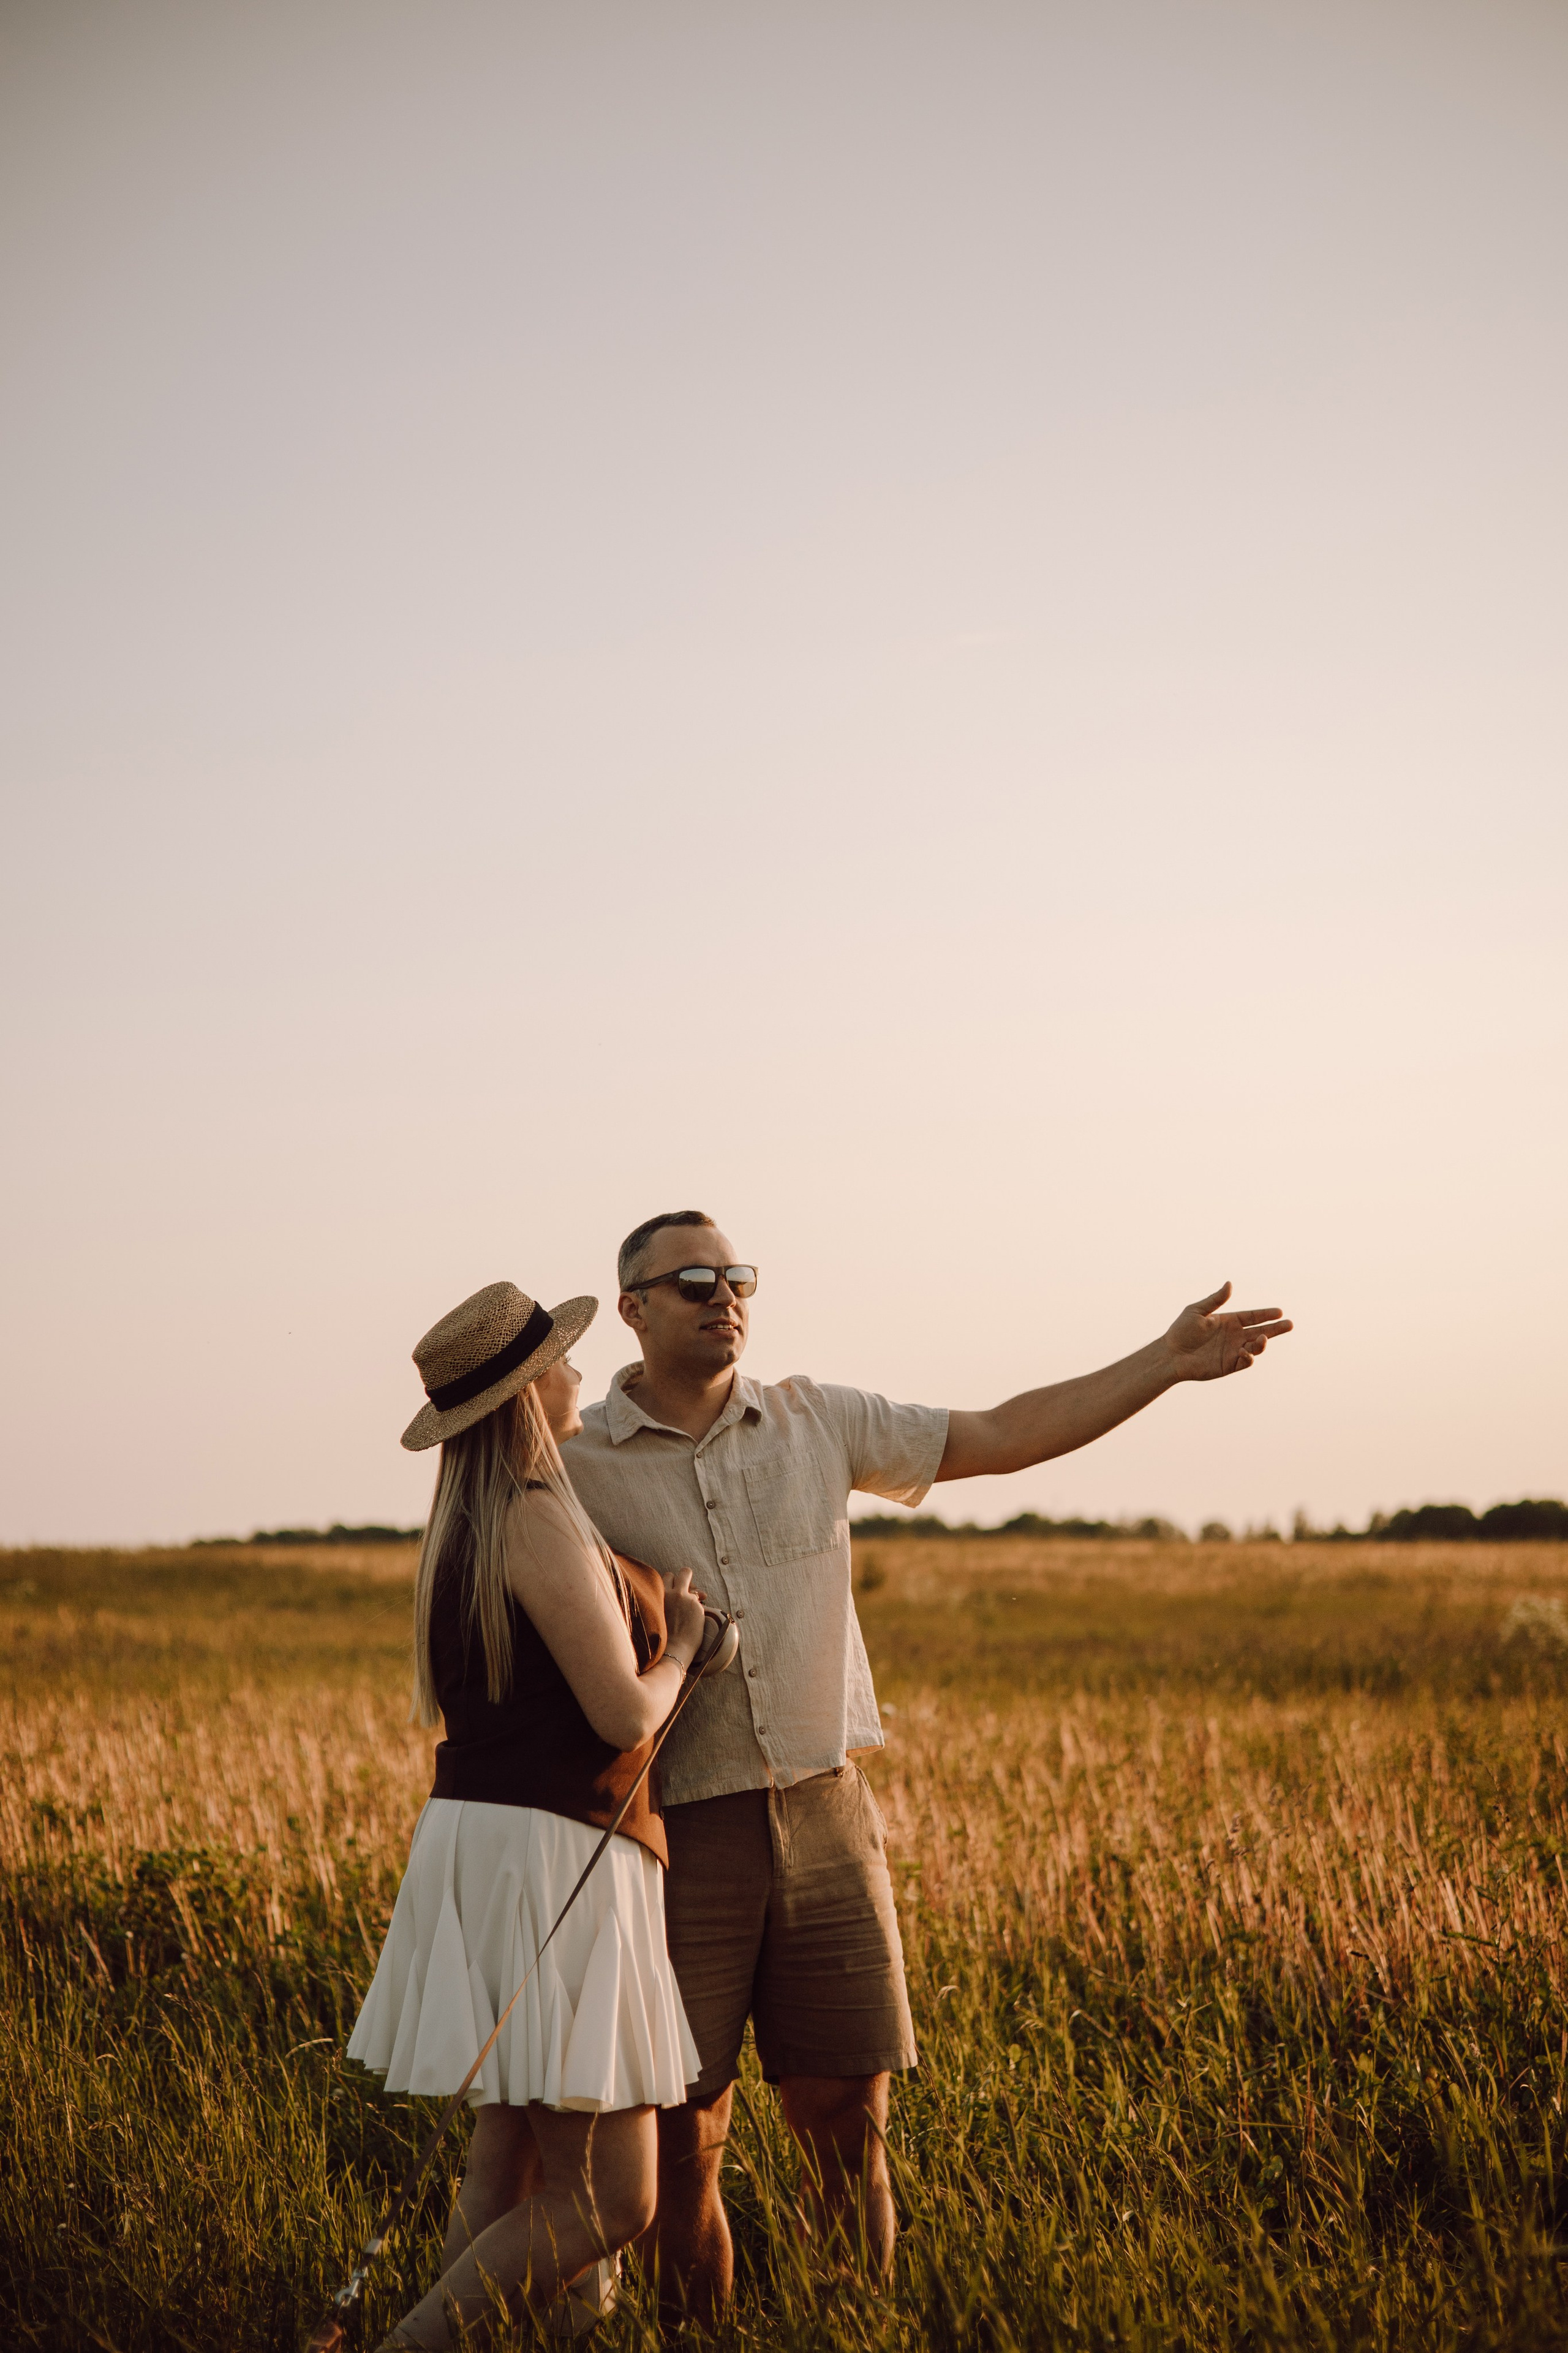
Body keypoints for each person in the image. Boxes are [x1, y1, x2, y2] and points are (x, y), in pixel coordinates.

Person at [562, 1211, 1293, 2319]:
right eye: (694, 1280)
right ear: (634, 1308)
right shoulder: (579, 1464)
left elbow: (1001, 1430)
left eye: (739, 1276)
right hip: (678, 1828)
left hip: (824, 1812)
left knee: (848, 2118)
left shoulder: (819, 1419)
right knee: (681, 2139)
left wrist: (1165, 1364)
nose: (726, 1295)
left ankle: (851, 2330)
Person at [345, 1279, 710, 2350]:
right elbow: (618, 1712)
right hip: (560, 1853)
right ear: (524, 1392)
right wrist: (681, 1644)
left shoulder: (464, 1526)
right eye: (560, 1357)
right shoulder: (538, 1513)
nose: (578, 1370)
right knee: (610, 2201)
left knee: (510, 2162)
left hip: (488, 1844)